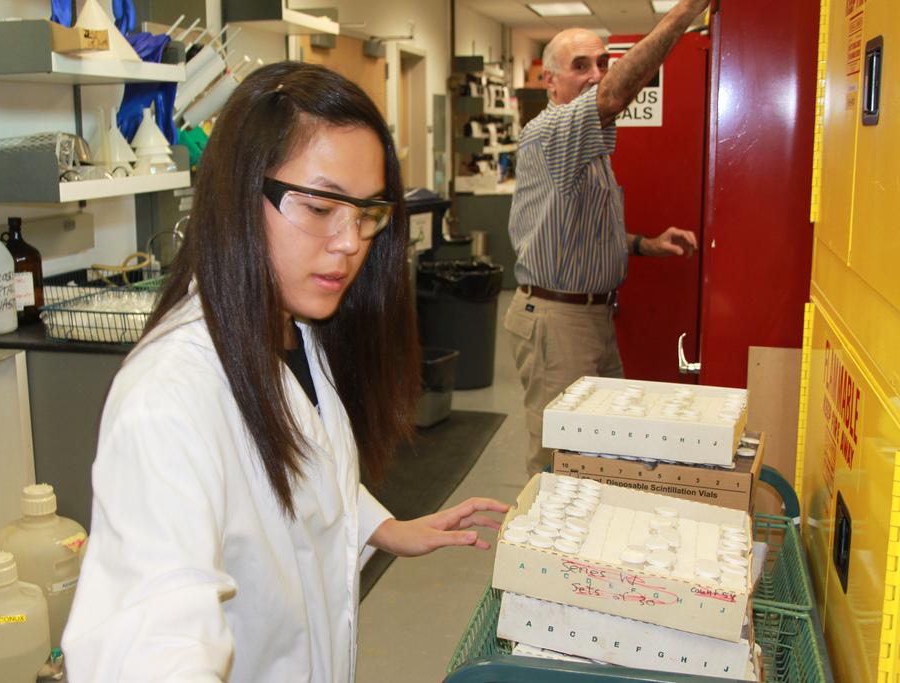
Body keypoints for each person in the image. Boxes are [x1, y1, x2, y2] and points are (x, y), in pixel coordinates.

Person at [61, 61, 509, 682]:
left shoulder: (295, 327)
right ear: (241, 194)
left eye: (366, 213)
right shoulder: (168, 398)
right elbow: (153, 633)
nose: (351, 241)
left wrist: (383, 527)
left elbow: (297, 467)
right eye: (322, 206)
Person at [505, 0, 709, 476]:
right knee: (558, 457)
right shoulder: (551, 131)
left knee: (600, 447)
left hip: (591, 317)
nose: (596, 75)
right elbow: (616, 96)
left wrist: (643, 245)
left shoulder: (591, 145)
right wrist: (684, 13)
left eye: (602, 63)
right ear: (549, 81)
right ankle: (540, 550)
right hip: (558, 322)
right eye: (580, 66)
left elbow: (582, 231)